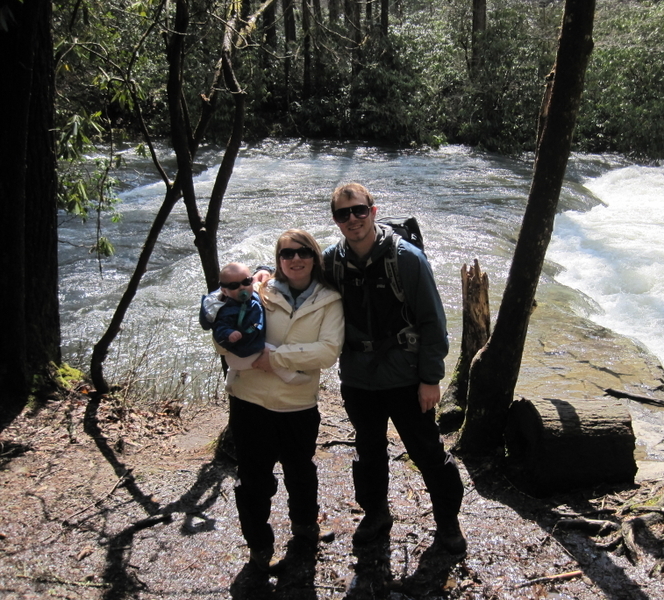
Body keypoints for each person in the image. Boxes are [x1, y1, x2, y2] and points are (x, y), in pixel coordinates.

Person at [322, 182, 466, 554]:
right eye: (343, 213)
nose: (352, 219)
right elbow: (292, 274)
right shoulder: (331, 262)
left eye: (358, 210)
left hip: (405, 376)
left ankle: (448, 523)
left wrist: (430, 379)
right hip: (357, 378)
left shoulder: (407, 259)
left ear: (372, 210)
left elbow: (434, 322)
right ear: (336, 220)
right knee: (368, 452)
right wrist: (255, 278)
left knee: (428, 453)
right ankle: (376, 514)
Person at [213, 231, 344, 572]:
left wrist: (277, 358)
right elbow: (219, 323)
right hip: (249, 401)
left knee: (300, 472)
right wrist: (231, 346)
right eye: (287, 253)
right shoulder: (259, 288)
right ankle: (258, 546)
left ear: (314, 257)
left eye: (303, 252)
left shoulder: (330, 299)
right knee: (253, 480)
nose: (295, 259)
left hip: (297, 403)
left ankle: (304, 529)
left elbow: (328, 351)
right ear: (278, 259)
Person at [200, 262, 311, 388]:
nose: (242, 287)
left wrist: (265, 271)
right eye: (234, 286)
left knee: (235, 368)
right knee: (272, 351)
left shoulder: (255, 296)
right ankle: (290, 377)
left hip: (243, 353)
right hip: (245, 352)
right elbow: (220, 327)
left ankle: (229, 382)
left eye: (246, 282)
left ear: (252, 281)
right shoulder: (227, 310)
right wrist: (228, 333)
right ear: (224, 291)